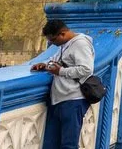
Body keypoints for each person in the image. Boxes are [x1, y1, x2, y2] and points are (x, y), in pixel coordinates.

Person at [36, 19, 95, 149]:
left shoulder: (81, 44)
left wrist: (61, 71)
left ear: (62, 33)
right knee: (52, 143)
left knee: (69, 144)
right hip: (60, 98)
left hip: (73, 99)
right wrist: (45, 66)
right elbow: (58, 61)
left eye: (53, 40)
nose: (51, 43)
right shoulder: (65, 44)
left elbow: (87, 69)